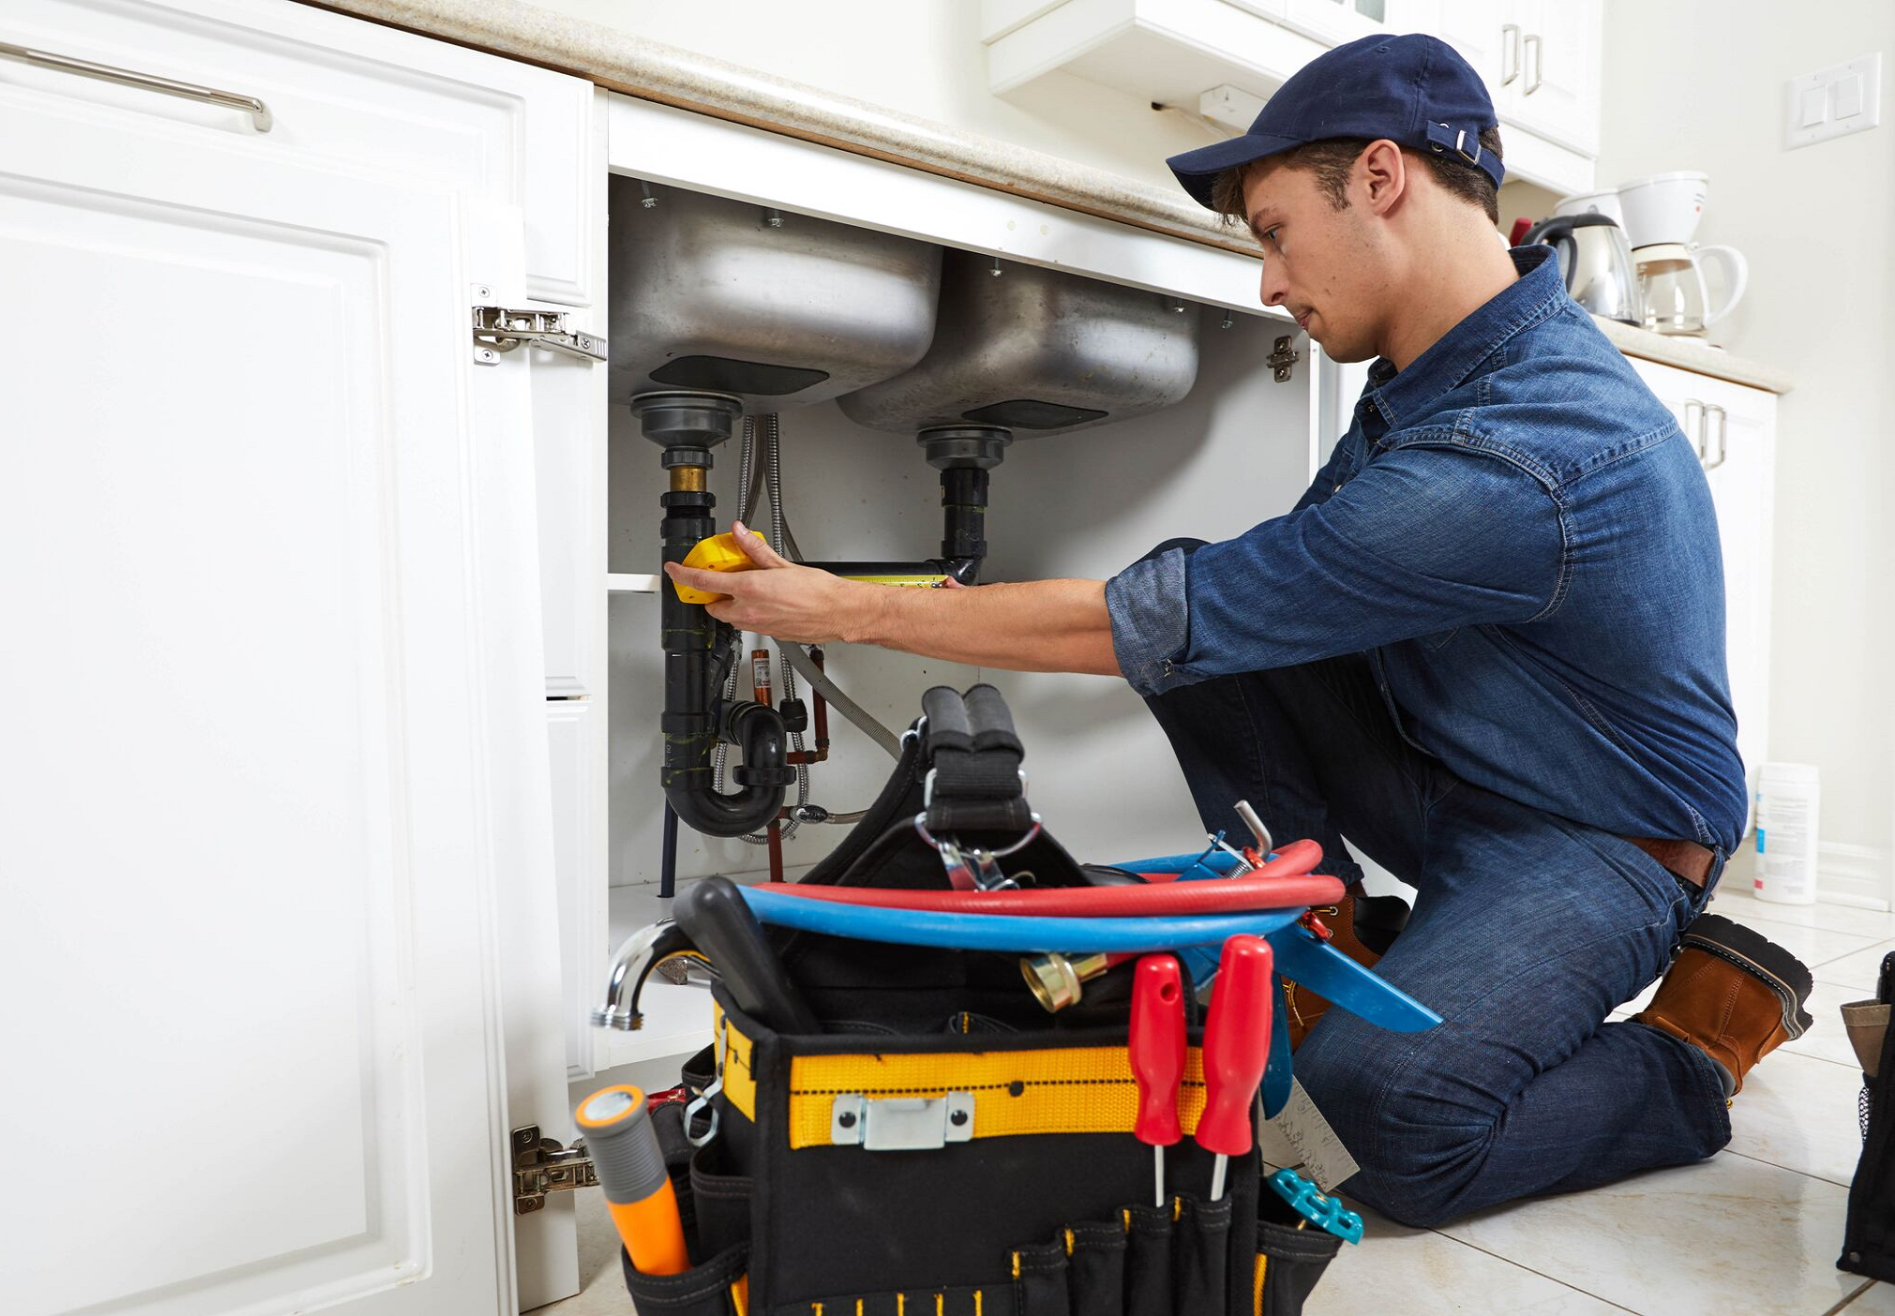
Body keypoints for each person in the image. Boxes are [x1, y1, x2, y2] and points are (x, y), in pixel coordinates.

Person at [663, 33, 1814, 1228]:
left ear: (1381, 179)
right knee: (1201, 625)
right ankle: (1324, 924)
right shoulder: (1433, 374)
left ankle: (1696, 1046)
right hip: (1456, 773)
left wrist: (839, 605)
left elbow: (1154, 618)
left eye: (1272, 231)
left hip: (1596, 842)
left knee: (1382, 1125)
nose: (1268, 282)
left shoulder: (1520, 454)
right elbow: (1212, 612)